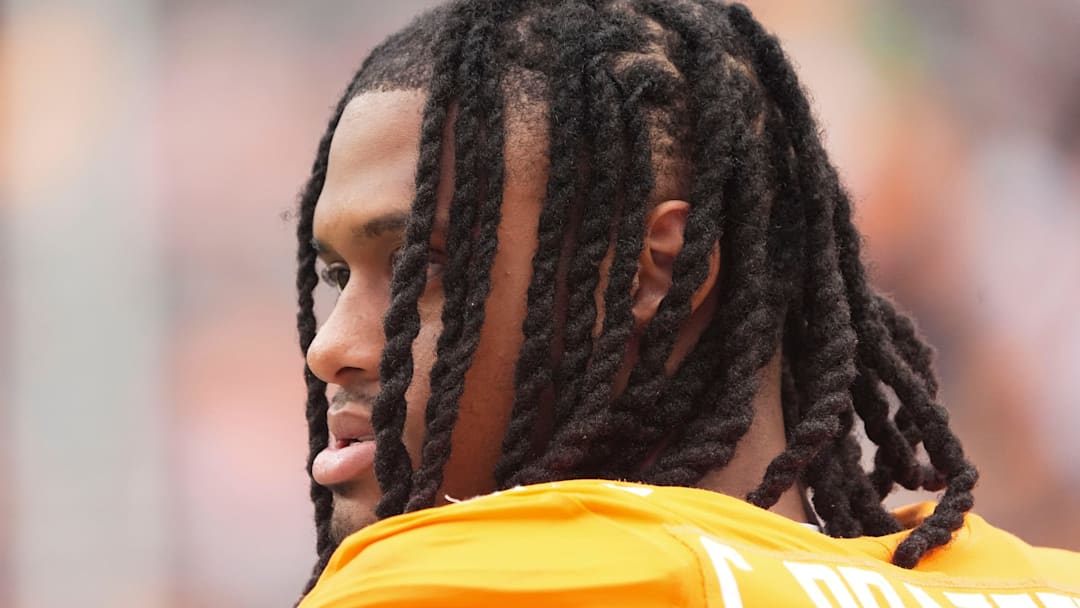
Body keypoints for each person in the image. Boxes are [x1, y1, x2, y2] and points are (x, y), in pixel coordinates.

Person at [291, 1, 1080, 605]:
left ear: (653, 268)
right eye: (334, 276)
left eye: (417, 266)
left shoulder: (460, 579)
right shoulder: (1035, 585)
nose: (330, 347)